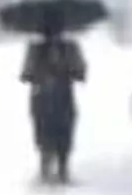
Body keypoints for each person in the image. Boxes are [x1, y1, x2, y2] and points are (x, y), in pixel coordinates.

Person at [21, 13, 86, 183]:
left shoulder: (70, 47)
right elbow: (25, 75)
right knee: (44, 135)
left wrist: (65, 68)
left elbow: (81, 73)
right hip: (42, 98)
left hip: (62, 97)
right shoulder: (35, 48)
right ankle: (46, 168)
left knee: (64, 134)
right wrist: (41, 72)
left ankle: (62, 169)